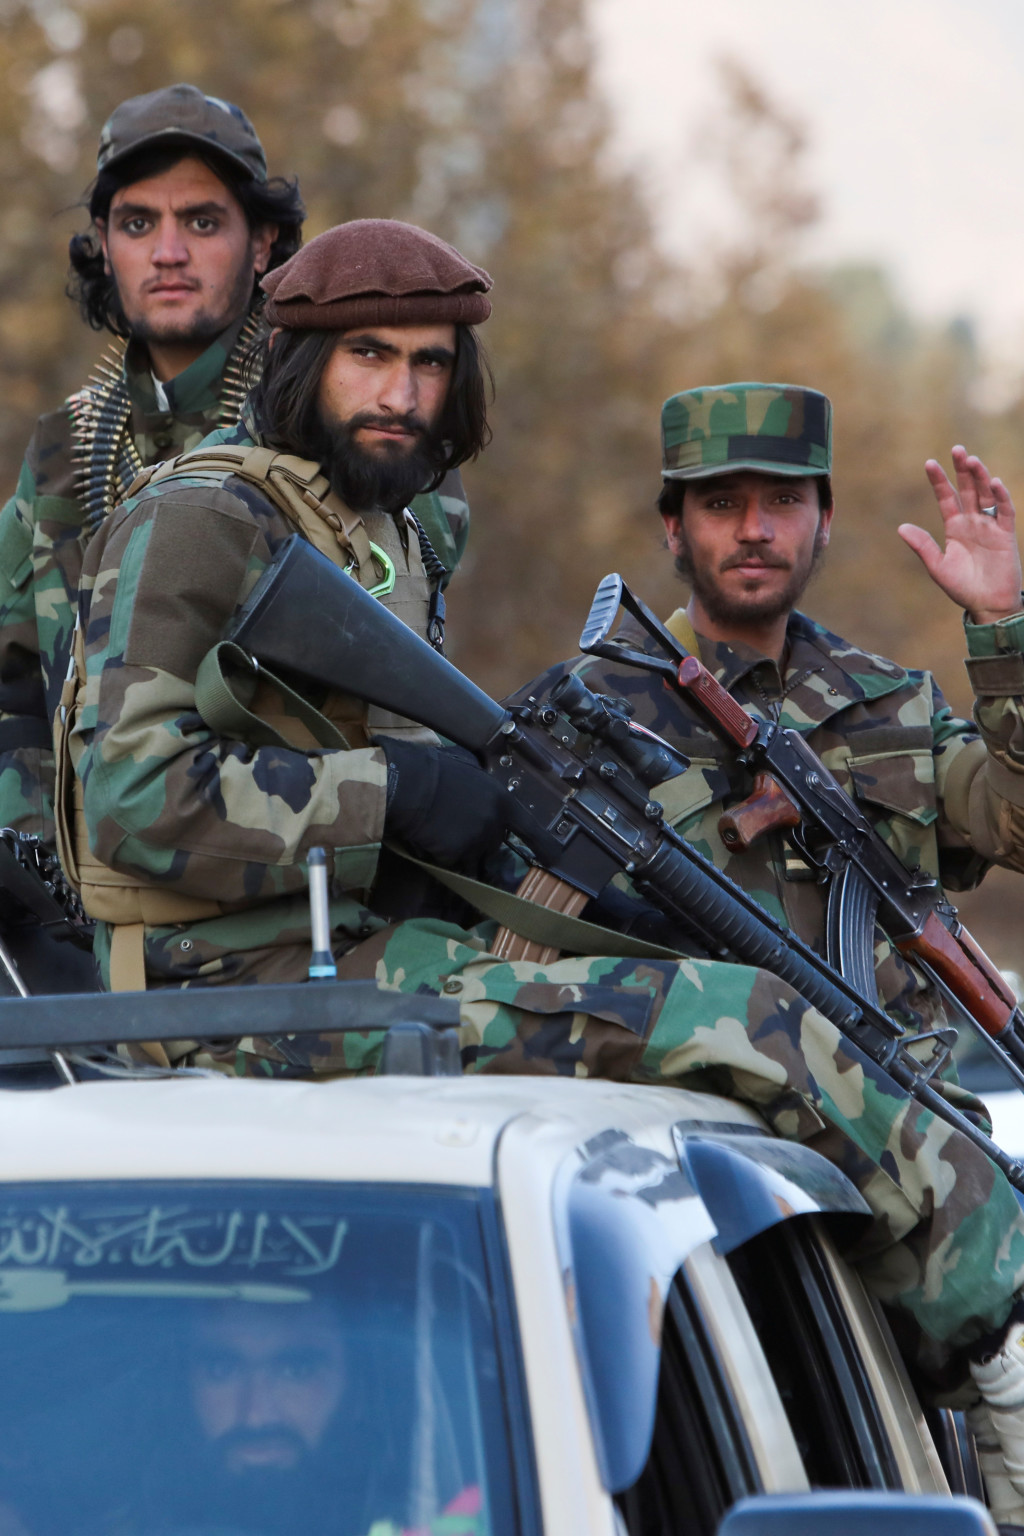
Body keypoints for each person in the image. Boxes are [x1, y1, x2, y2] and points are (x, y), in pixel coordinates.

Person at [63, 241, 1024, 1521]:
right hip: (243, 987)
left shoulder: (375, 537)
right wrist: (395, 797)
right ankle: (1001, 1372)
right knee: (745, 1019)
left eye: (427, 365)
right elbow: (122, 803)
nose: (401, 392)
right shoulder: (206, 518)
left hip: (329, 969)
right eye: (368, 357)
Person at [0, 83, 470, 855]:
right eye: (137, 222)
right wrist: (36, 851)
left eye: (204, 221)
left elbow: (401, 640)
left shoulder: (347, 416)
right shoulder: (65, 448)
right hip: (100, 886)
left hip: (291, 871)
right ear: (103, 241)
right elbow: (13, 691)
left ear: (263, 244)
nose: (168, 252)